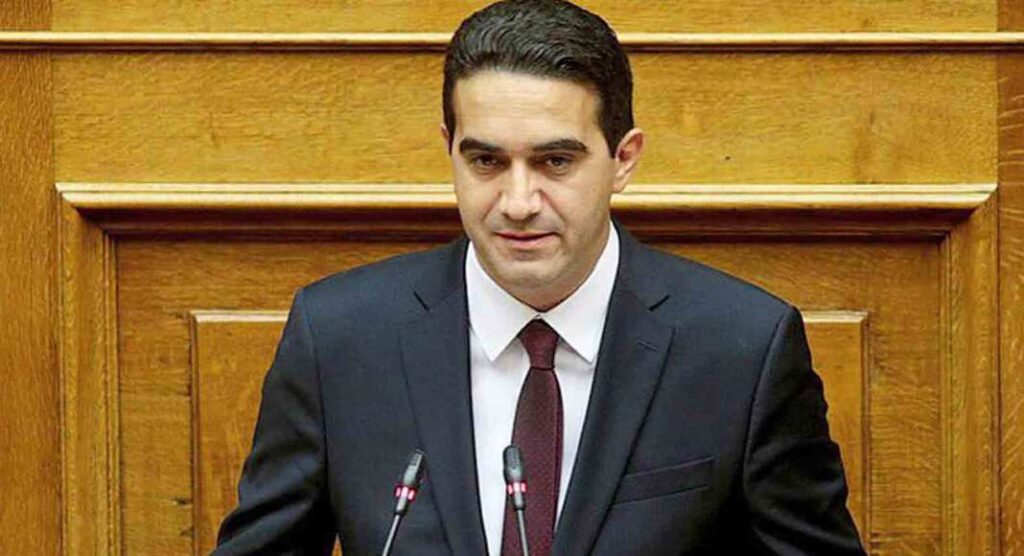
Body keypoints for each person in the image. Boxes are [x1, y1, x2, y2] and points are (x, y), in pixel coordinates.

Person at [214, 1, 865, 554]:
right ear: (449, 152)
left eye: (555, 161)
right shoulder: (339, 340)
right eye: (486, 161)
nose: (518, 202)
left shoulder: (742, 350)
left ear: (623, 159)